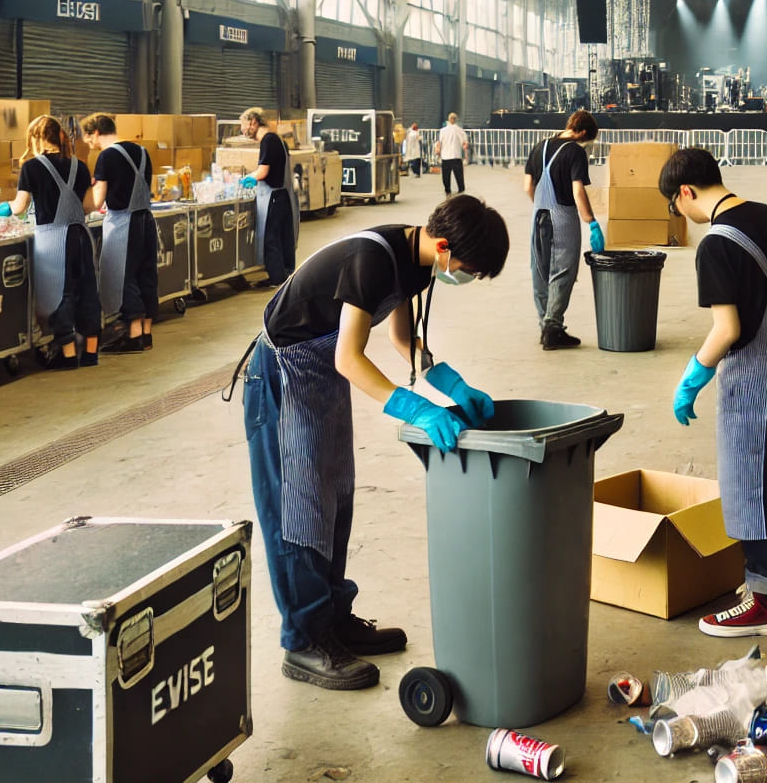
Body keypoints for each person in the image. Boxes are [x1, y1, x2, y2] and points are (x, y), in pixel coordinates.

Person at [236, 195, 509, 689]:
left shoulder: (417, 261)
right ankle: (303, 641)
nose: (466, 278)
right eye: (469, 269)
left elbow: (402, 340)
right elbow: (349, 356)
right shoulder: (371, 260)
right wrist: (415, 408)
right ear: (445, 245)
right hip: (283, 376)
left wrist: (451, 385)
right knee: (299, 510)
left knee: (334, 497)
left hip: (320, 377)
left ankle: (333, 621)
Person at [659, 148, 767, 637]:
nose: (685, 218)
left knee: (750, 490)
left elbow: (727, 329)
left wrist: (692, 376)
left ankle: (766, 603)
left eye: (679, 208)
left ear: (686, 193)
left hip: (752, 385)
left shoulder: (715, 244)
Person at [0, 116, 100, 369]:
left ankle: (67, 356)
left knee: (59, 294)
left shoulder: (31, 168)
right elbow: (88, 206)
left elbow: (20, 208)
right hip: (81, 236)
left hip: (54, 240)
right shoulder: (80, 165)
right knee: (87, 291)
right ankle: (90, 354)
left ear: (36, 139)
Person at [523, 110, 603, 350]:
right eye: (587, 140)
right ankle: (553, 328)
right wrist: (591, 222)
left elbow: (528, 185)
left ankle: (544, 326)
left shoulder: (539, 147)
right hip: (563, 217)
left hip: (538, 216)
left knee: (540, 270)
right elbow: (578, 191)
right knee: (563, 272)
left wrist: (541, 206)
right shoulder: (575, 152)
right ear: (583, 133)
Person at [82, 114, 157, 354]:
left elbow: (97, 200)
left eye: (87, 137)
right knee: (146, 273)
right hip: (146, 219)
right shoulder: (142, 151)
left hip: (124, 221)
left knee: (122, 274)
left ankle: (132, 334)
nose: (87, 143)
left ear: (94, 132)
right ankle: (146, 333)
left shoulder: (107, 156)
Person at [240, 108, 298, 286]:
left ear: (253, 122)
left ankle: (277, 278)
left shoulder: (268, 140)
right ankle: (286, 273)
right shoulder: (278, 140)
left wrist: (246, 179)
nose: (242, 130)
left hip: (273, 197)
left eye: (243, 125)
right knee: (283, 237)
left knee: (270, 238)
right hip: (283, 195)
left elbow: (263, 171)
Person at [438, 113, 470, 196]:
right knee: (459, 176)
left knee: (446, 176)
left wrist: (438, 154)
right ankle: (461, 191)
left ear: (448, 119)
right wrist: (466, 157)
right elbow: (465, 145)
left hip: (446, 157)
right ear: (456, 119)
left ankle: (448, 191)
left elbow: (439, 144)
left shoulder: (442, 131)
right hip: (456, 156)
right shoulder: (460, 130)